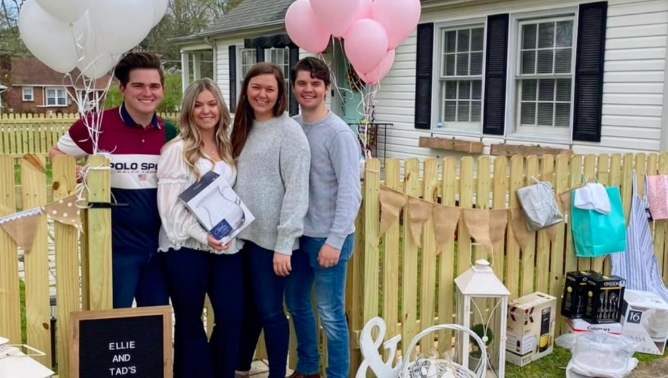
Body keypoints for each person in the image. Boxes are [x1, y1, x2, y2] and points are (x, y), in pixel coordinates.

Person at [49, 52, 176, 309]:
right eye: (138, 85)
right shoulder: (95, 125)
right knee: (114, 322)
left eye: (154, 86)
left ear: (162, 89)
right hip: (115, 248)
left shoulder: (169, 131)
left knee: (155, 323)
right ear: (122, 89)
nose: (147, 93)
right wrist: (76, 171)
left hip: (161, 245)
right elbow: (57, 153)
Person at [156, 78, 242, 378]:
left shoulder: (231, 145)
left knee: (232, 317)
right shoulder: (177, 150)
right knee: (190, 319)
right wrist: (202, 235)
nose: (206, 110)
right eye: (198, 104)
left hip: (226, 246)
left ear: (220, 106)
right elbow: (170, 209)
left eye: (211, 103)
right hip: (185, 247)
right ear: (188, 110)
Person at [232, 62, 311, 378]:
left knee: (269, 311)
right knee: (247, 309)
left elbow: (296, 191)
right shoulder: (239, 126)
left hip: (270, 243)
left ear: (280, 94)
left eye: (270, 89)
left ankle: (277, 373)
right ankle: (239, 367)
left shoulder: (289, 132)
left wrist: (284, 244)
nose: (261, 94)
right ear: (246, 89)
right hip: (240, 238)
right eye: (256, 87)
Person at [285, 57, 362, 378]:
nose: (308, 89)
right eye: (302, 83)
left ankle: (337, 374)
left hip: (328, 239)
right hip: (297, 236)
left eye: (316, 83)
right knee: (297, 303)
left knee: (330, 315)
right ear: (293, 87)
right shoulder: (291, 126)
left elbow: (350, 192)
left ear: (327, 89)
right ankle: (307, 368)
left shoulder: (338, 133)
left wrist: (334, 240)